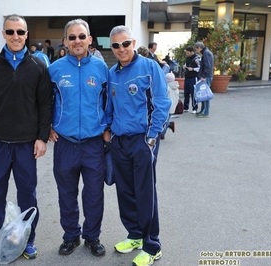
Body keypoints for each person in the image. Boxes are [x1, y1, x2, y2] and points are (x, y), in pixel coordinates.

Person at [0, 14, 53, 262]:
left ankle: (28, 240)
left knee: (28, 195)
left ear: (27, 34)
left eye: (20, 32)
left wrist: (41, 137)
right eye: (10, 32)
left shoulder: (38, 66)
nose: (16, 36)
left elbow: (44, 105)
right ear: (4, 34)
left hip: (26, 145)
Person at [107, 25, 171, 266]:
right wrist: (109, 131)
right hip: (119, 141)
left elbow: (162, 102)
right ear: (111, 47)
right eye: (116, 45)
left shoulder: (149, 67)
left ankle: (152, 245)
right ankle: (134, 235)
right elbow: (109, 106)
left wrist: (152, 138)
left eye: (125, 43)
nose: (121, 48)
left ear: (133, 43)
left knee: (145, 193)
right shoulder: (112, 72)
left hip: (143, 140)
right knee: (124, 191)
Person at [48, 18, 109, 257]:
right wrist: (46, 127)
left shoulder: (102, 69)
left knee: (94, 195)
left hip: (94, 144)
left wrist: (108, 127)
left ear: (89, 40)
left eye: (81, 36)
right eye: (72, 37)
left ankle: (92, 237)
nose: (77, 41)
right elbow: (42, 101)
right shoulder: (55, 69)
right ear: (65, 41)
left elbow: (109, 102)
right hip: (65, 144)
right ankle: (71, 236)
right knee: (66, 194)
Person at [194, 41, 214, 118]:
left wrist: (204, 76)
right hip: (207, 75)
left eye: (196, 50)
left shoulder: (206, 53)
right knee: (203, 94)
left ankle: (206, 112)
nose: (196, 51)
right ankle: (203, 111)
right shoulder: (206, 52)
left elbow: (207, 66)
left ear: (199, 48)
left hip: (206, 76)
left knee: (205, 94)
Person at [160, 73, 179, 140]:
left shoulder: (166, 87)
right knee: (166, 119)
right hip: (173, 106)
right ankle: (164, 131)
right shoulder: (176, 86)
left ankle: (162, 133)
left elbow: (163, 96)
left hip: (166, 106)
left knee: (163, 120)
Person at [182, 46, 201, 113]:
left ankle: (194, 108)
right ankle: (186, 107)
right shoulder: (187, 58)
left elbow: (200, 67)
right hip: (187, 76)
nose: (187, 54)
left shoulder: (197, 58)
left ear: (192, 52)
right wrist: (184, 66)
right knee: (186, 92)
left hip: (194, 77)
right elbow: (186, 64)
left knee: (194, 93)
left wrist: (193, 69)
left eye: (188, 53)